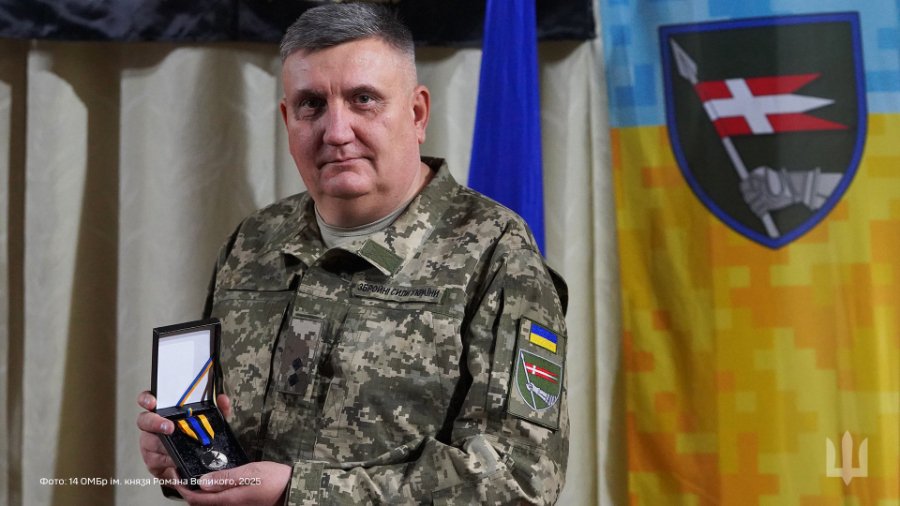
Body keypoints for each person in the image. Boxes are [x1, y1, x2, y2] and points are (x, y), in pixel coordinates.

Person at [136, 3, 569, 504]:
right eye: (312, 104)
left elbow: (518, 478)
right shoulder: (253, 242)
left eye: (364, 100)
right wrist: (189, 456)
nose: (337, 131)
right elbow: (224, 436)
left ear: (417, 113)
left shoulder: (495, 252)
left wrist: (296, 494)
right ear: (288, 119)